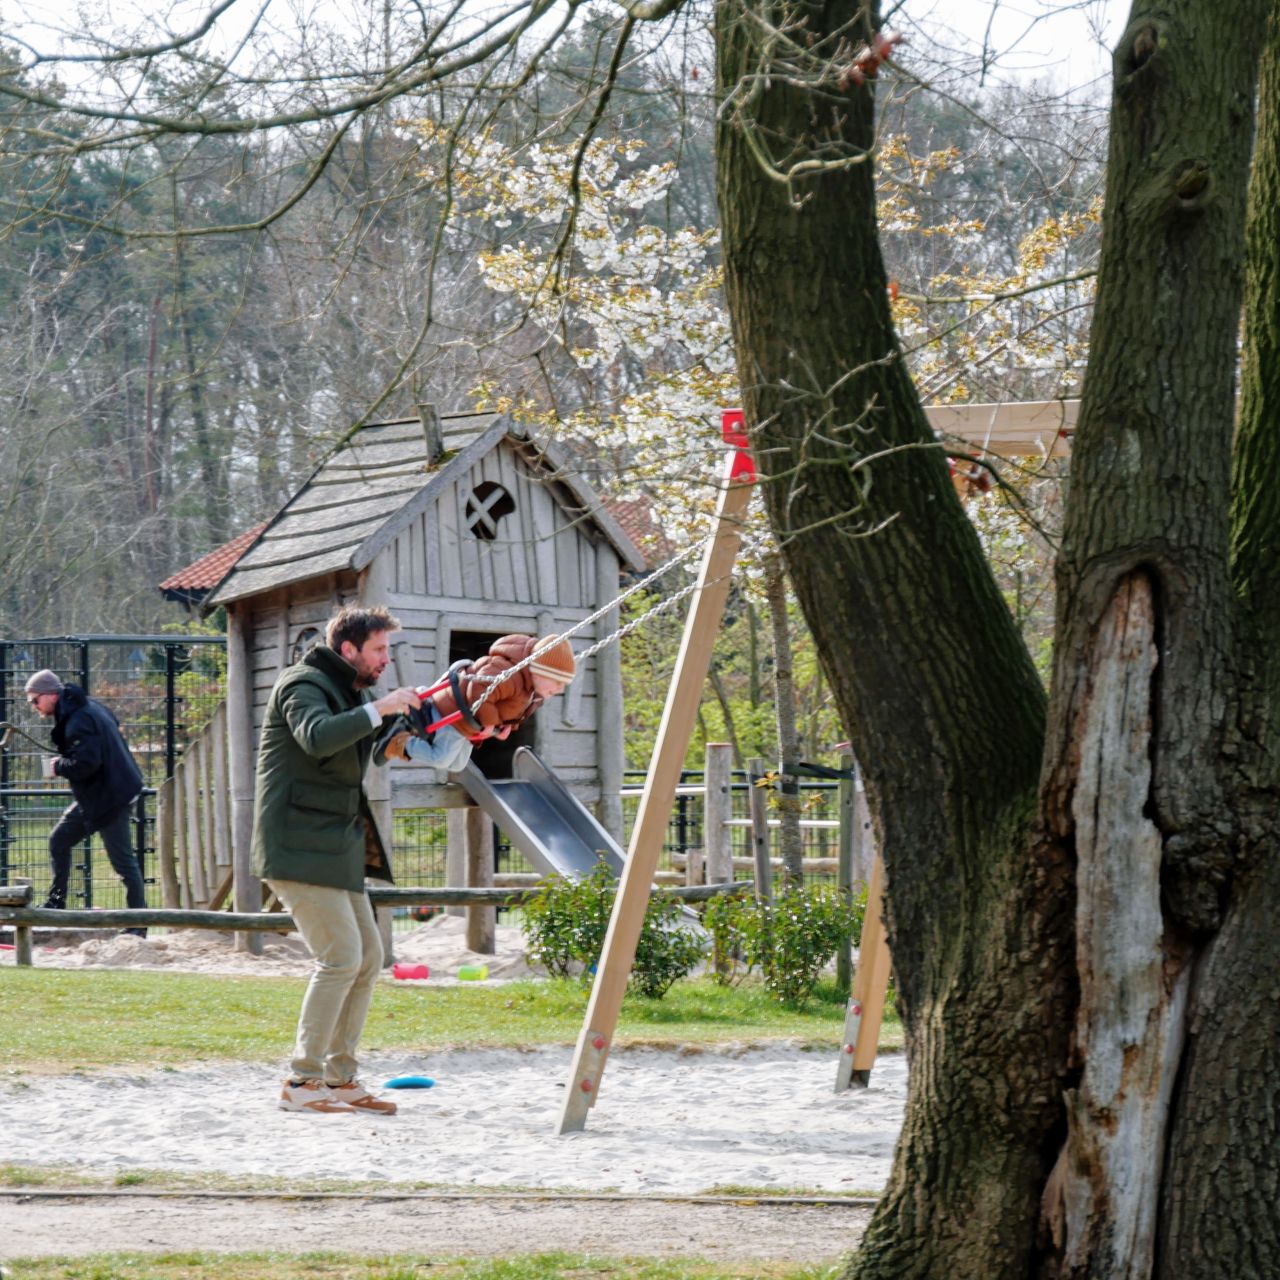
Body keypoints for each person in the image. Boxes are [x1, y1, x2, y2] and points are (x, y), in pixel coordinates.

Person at [252, 604, 426, 1116]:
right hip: (297, 846)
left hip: (336, 847)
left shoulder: (356, 693)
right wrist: (382, 708)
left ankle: (340, 1078)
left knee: (368, 959)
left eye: (387, 651)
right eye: (378, 650)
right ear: (347, 649)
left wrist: (463, 731)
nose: (385, 660)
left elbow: (384, 746)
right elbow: (318, 736)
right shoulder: (300, 684)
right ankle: (302, 1082)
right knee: (340, 959)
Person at [24, 669, 148, 933]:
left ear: (51, 696)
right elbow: (112, 726)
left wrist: (58, 766)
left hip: (112, 797)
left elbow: (86, 764)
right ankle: (56, 904)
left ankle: (138, 925)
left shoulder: (78, 718)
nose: (34, 706)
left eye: (35, 700)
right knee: (59, 841)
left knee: (124, 863)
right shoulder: (88, 708)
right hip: (97, 796)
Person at [382, 634, 576, 761]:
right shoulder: (510, 675)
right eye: (557, 683)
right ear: (539, 671)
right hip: (452, 712)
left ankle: (417, 719)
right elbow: (480, 689)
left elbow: (516, 711)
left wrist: (508, 726)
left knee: (457, 765)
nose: (559, 690)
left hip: (467, 726)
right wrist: (490, 723)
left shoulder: (533, 692)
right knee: (441, 758)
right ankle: (400, 743)